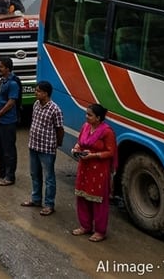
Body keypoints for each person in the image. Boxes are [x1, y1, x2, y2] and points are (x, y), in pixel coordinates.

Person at [71, 103, 117, 242]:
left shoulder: (107, 132)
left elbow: (111, 152)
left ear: (98, 117)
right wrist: (76, 148)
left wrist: (93, 156)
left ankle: (100, 231)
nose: (86, 117)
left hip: (99, 169)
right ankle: (85, 226)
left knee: (97, 200)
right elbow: (80, 142)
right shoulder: (85, 127)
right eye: (86, 114)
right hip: (84, 167)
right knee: (82, 197)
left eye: (89, 115)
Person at [23, 81, 64, 216]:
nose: (36, 93)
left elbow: (59, 129)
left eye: (38, 91)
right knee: (35, 174)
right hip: (34, 145)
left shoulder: (55, 109)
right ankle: (36, 199)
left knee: (49, 177)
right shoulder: (36, 105)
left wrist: (57, 143)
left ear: (46, 93)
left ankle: (49, 204)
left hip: (47, 148)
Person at [0, 56, 20, 186]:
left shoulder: (13, 83)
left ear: (7, 68)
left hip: (7, 121)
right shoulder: (1, 81)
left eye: (1, 66)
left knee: (9, 150)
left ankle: (10, 176)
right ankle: (1, 171)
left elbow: (11, 102)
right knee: (1, 148)